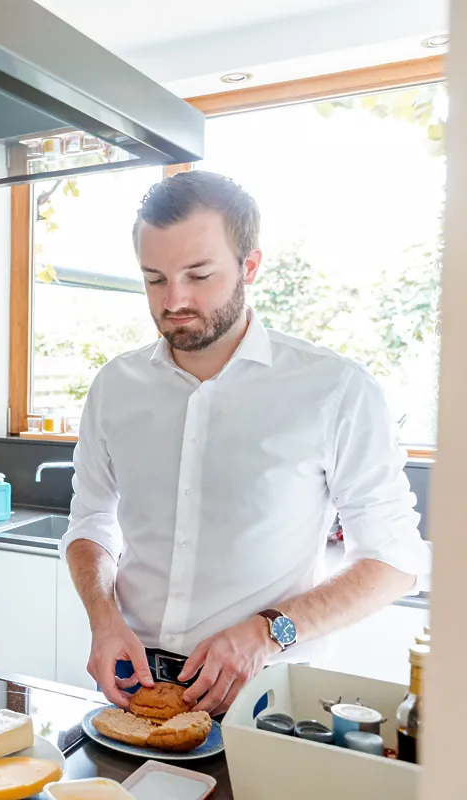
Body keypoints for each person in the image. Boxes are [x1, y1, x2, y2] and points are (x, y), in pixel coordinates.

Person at [63, 171, 429, 716]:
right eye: (154, 278)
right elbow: (92, 521)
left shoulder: (335, 389)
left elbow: (394, 561)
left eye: (199, 274)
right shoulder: (115, 386)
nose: (174, 299)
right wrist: (103, 617)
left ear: (249, 267)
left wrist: (268, 632)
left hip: (267, 691)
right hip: (135, 684)